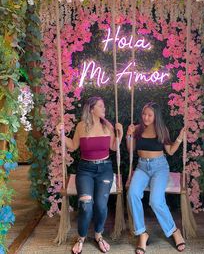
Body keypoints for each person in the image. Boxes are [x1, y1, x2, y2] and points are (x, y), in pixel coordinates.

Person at [56, 96, 123, 254]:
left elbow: (114, 147)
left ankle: (98, 235)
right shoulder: (81, 126)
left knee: (101, 206)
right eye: (101, 106)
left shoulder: (108, 126)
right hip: (85, 170)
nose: (104, 109)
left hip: (105, 169)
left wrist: (120, 134)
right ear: (92, 109)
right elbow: (72, 146)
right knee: (86, 206)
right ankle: (81, 237)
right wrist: (60, 134)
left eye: (104, 106)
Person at [126, 102, 186, 254]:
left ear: (155, 116)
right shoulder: (138, 129)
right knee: (132, 194)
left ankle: (174, 231)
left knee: (155, 201)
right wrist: (129, 134)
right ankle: (141, 233)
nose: (146, 117)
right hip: (141, 167)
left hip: (159, 167)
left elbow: (171, 151)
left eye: (149, 115)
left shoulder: (161, 130)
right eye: (144, 114)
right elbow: (130, 149)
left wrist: (179, 138)